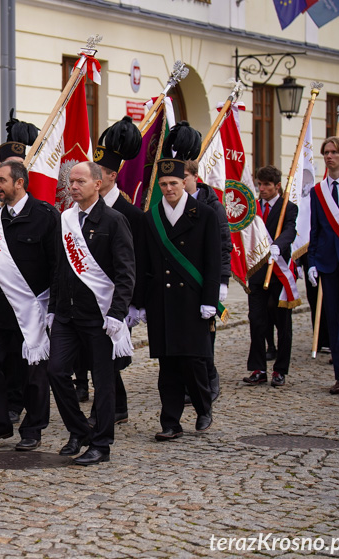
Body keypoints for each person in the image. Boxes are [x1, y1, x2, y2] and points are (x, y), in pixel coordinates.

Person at [136, 122, 220, 441]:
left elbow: (212, 262)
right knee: (168, 365)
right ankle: (170, 421)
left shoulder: (205, 215)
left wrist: (211, 300)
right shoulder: (150, 218)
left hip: (194, 302)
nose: (169, 189)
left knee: (194, 362)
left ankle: (203, 407)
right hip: (163, 303)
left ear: (185, 182)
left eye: (174, 183)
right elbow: (144, 263)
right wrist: (140, 303)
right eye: (164, 184)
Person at [46, 161, 134, 466]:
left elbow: (125, 272)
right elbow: (60, 267)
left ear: (97, 184)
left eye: (80, 181)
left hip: (99, 315)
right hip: (67, 316)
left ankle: (102, 444)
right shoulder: (65, 220)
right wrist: (52, 308)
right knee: (56, 371)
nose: (73, 186)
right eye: (71, 182)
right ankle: (80, 430)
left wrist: (117, 313)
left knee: (103, 380)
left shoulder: (113, 220)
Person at [0, 161, 59, 451]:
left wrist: (53, 309)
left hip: (32, 311)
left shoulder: (46, 216)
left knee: (34, 374)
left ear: (20, 183)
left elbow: (57, 266)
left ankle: (33, 429)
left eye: (1, 180)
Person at [85, 116, 144, 426]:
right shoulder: (83, 208)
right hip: (91, 293)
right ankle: (116, 405)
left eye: (96, 174)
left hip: (118, 296)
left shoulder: (129, 212)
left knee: (107, 356)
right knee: (98, 356)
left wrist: (136, 303)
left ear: (110, 176)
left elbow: (140, 260)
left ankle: (106, 410)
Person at [307, 136, 339, 396]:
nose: (329, 156)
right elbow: (316, 230)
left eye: (334, 152)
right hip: (327, 263)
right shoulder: (318, 191)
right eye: (326, 152)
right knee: (333, 320)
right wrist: (312, 262)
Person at [243, 165, 297, 387]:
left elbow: (290, 230)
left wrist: (279, 245)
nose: (262, 189)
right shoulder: (253, 207)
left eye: (266, 185)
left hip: (279, 273)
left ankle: (280, 370)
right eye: (259, 184)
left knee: (282, 323)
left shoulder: (288, 207)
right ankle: (258, 368)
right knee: (256, 321)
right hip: (256, 272)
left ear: (277, 186)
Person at [184, 159, 231, 402]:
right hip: (182, 282)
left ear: (194, 176)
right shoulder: (173, 204)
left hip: (205, 279)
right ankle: (187, 384)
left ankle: (210, 379)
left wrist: (222, 280)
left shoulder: (212, 206)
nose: (179, 183)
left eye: (184, 176)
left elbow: (224, 245)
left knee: (205, 337)